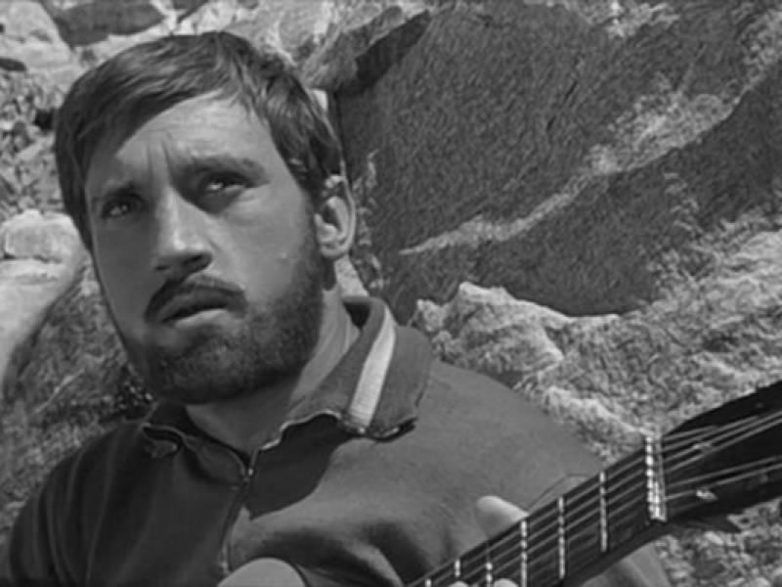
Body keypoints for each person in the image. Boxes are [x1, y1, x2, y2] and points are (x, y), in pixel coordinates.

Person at [0, 32, 671, 587]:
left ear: (329, 218)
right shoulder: (83, 507)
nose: (173, 245)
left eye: (220, 183)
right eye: (123, 206)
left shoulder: (525, 492)